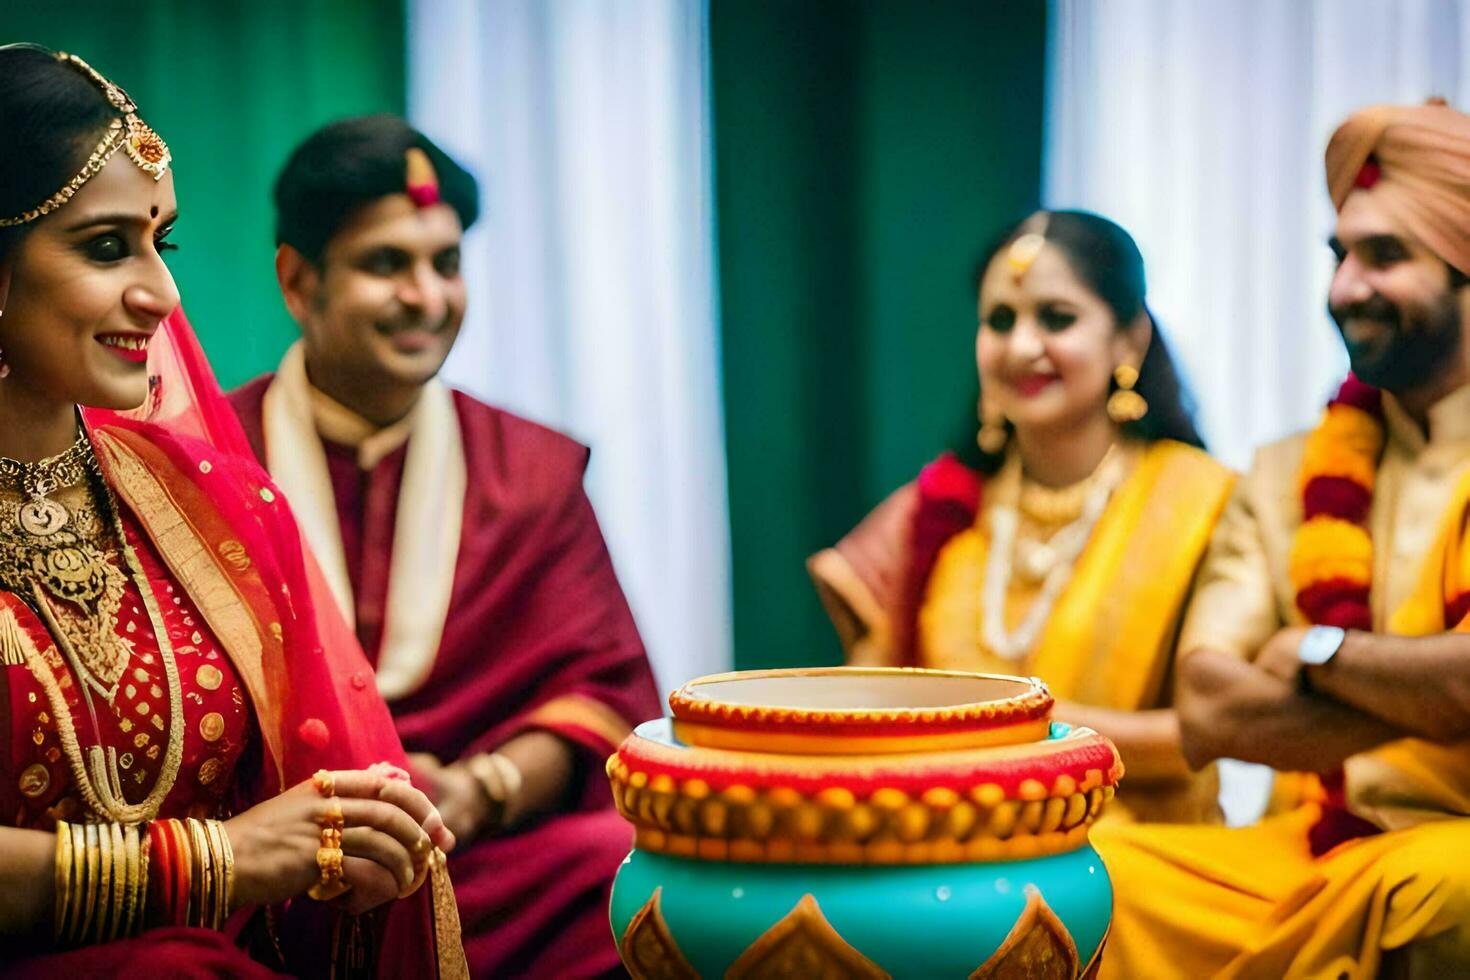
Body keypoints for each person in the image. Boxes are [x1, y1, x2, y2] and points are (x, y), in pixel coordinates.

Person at [0, 45, 466, 977]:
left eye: (158, 241)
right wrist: (223, 862)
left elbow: (292, 804)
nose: (163, 293)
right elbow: (241, 850)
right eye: (104, 247)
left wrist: (349, 842)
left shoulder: (203, 503)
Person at [227, 115, 660, 978]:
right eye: (387, 264)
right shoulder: (211, 466)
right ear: (297, 282)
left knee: (631, 869)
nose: (428, 296)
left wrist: (482, 787)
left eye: (447, 263)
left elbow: (600, 692)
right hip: (277, 869)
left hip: (477, 858)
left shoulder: (532, 472)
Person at [1094, 100, 1470, 978]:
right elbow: (1211, 703)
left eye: (1386, 256)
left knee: (1442, 891)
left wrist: (1314, 648)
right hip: (1322, 848)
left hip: (1444, 859)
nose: (1345, 288)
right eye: (1339, 256)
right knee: (1095, 882)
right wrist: (1427, 692)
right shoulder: (1281, 476)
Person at [809, 210, 1234, 823]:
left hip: (1132, 848)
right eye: (1000, 321)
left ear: (1129, 340)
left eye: (1056, 318)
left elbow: (1214, 729)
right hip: (948, 838)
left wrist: (1008, 733)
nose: (1022, 346)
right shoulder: (937, 512)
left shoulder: (1200, 502)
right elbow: (870, 702)